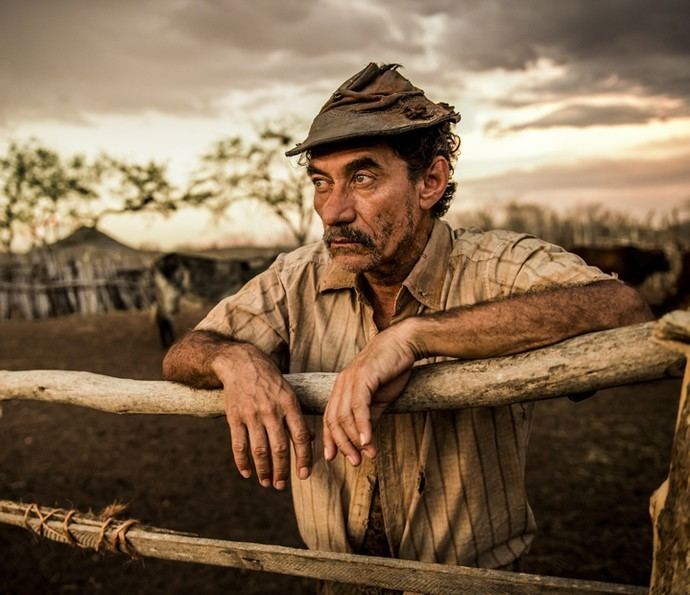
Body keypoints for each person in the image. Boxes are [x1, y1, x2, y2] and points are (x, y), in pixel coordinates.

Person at [162, 63, 652, 592]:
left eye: (363, 178)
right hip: (337, 584)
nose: (333, 211)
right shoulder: (295, 276)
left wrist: (414, 337)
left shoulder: (493, 263)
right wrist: (234, 360)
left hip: (473, 586)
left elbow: (622, 307)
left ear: (430, 182)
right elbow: (184, 352)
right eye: (321, 182)